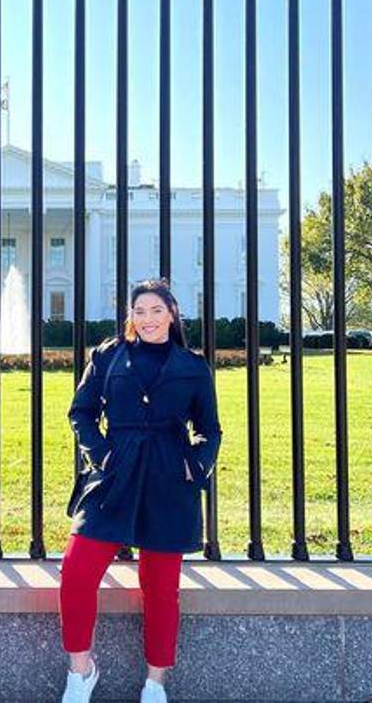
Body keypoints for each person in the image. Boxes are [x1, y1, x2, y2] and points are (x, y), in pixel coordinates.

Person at [58, 278, 222, 703]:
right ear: (130, 316)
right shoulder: (109, 356)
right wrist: (101, 454)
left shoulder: (192, 366)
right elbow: (82, 412)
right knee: (76, 571)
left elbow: (210, 429)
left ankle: (155, 684)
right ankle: (81, 672)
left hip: (168, 476)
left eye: (156, 310)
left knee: (161, 587)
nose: (147, 319)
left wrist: (195, 466)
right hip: (116, 471)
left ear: (172, 314)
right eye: (139, 311)